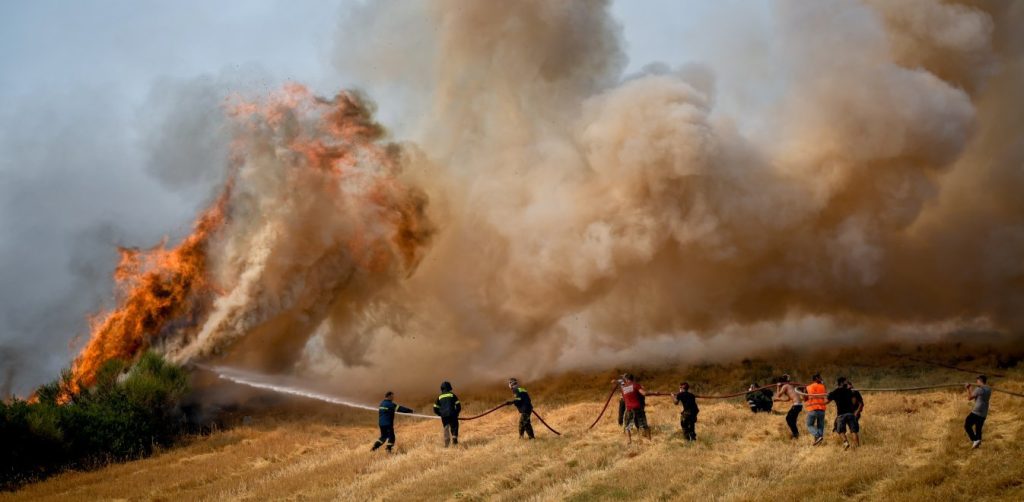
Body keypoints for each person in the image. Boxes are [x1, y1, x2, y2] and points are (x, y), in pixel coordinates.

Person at [826, 377, 860, 449]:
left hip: (841, 415)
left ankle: (845, 442)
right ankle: (857, 447)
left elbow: (826, 402)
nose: (847, 383)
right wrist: (851, 392)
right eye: (845, 382)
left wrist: (829, 395)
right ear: (841, 383)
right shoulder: (849, 391)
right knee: (854, 431)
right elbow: (854, 402)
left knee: (840, 431)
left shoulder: (835, 392)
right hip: (850, 414)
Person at [965, 374, 992, 449]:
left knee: (967, 425)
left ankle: (974, 439)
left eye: (977, 381)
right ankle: (978, 444)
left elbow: (969, 397)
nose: (976, 382)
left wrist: (968, 388)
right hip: (984, 413)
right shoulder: (989, 389)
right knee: (978, 428)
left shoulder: (979, 389)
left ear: (980, 381)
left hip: (976, 411)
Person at [621, 373, 650, 441]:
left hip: (629, 408)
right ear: (632, 379)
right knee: (644, 424)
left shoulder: (623, 388)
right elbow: (643, 393)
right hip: (637, 407)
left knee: (628, 426)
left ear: (626, 379)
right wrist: (652, 393)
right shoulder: (635, 385)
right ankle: (649, 439)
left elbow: (624, 398)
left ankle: (629, 441)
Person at [773, 374, 803, 439]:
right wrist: (779, 400)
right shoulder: (790, 386)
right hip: (799, 405)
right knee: (792, 420)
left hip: (797, 405)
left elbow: (778, 395)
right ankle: (796, 434)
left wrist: (777, 387)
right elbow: (788, 399)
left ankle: (796, 434)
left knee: (788, 419)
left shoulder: (785, 386)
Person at [434, 381, 462, 447]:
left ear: (442, 388)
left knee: (446, 427)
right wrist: (456, 413)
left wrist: (440, 414)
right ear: (449, 388)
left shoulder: (439, 397)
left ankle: (447, 444)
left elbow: (435, 408)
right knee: (454, 426)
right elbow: (458, 406)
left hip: (444, 415)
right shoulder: (452, 395)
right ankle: (454, 438)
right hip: (452, 414)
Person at [804, 374, 828, 445]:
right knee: (820, 426)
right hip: (822, 409)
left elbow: (805, 398)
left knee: (809, 425)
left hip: (813, 409)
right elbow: (824, 394)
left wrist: (804, 390)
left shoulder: (808, 387)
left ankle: (818, 435)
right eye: (820, 377)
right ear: (817, 378)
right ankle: (819, 442)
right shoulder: (823, 386)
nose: (821, 379)